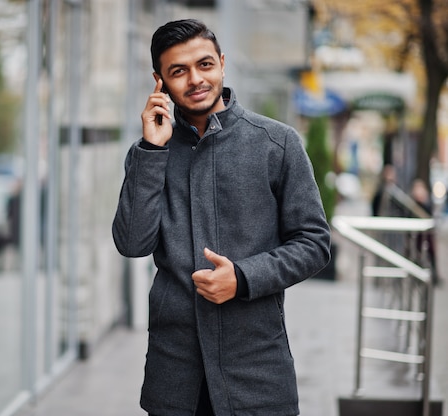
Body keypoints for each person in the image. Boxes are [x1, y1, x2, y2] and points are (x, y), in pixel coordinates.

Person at [112, 19, 331, 416]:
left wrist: (243, 277)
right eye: (179, 71)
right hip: (175, 375)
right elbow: (131, 243)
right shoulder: (148, 152)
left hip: (257, 373)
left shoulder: (277, 143)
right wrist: (151, 151)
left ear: (223, 64)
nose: (196, 79)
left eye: (205, 65)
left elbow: (314, 243)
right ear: (159, 81)